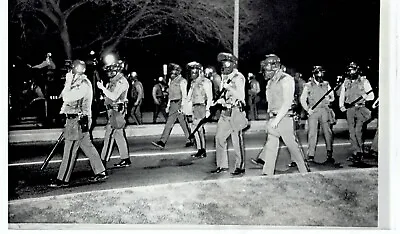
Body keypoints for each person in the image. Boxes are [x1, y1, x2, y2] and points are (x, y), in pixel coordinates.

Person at [49, 60, 108, 188]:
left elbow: (67, 97)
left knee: (69, 149)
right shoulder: (76, 82)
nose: (68, 72)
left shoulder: (83, 84)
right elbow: (61, 95)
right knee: (87, 146)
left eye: (70, 69)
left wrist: (68, 81)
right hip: (77, 120)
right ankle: (100, 171)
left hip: (77, 120)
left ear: (75, 70)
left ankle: (63, 179)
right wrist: (68, 82)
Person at [260, 54, 309, 176]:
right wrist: (270, 118)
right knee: (271, 146)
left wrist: (276, 120)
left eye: (267, 68)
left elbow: (287, 102)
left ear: (275, 66)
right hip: (274, 117)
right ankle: (267, 173)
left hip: (284, 118)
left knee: (293, 147)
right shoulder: (271, 82)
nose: (265, 71)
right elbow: (270, 102)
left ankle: (305, 171)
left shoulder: (286, 79)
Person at [210, 52, 248, 176]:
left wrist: (229, 88)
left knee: (237, 139)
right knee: (219, 138)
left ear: (232, 64)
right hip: (225, 111)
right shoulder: (224, 77)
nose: (224, 65)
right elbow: (225, 96)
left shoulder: (238, 77)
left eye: (226, 63)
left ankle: (240, 166)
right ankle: (222, 165)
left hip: (236, 111)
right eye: (222, 63)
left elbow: (241, 96)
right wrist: (218, 101)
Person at [298, 65, 336, 165]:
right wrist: (307, 109)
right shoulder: (308, 85)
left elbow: (333, 97)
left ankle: (329, 153)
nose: (320, 75)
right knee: (312, 133)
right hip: (313, 111)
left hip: (325, 110)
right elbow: (302, 99)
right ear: (314, 74)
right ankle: (311, 155)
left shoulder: (326, 84)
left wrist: (330, 99)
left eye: (321, 73)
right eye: (318, 73)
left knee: (328, 132)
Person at [97, 59, 131, 168]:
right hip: (112, 110)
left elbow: (114, 96)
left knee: (109, 135)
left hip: (117, 111)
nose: (108, 73)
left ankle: (102, 162)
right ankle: (125, 158)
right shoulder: (112, 81)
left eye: (110, 71)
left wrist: (102, 88)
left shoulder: (122, 81)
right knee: (119, 135)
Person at [339, 62, 375, 163]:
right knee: (351, 132)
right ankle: (357, 152)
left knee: (358, 131)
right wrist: (341, 105)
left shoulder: (364, 81)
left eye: (353, 70)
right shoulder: (346, 82)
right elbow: (342, 95)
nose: (351, 72)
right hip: (350, 109)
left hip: (360, 108)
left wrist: (365, 97)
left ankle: (360, 151)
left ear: (357, 70)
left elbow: (371, 95)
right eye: (350, 70)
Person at [152, 63, 193, 149]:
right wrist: (168, 105)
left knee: (178, 123)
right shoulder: (171, 81)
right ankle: (189, 139)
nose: (171, 74)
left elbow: (184, 94)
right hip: (173, 103)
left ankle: (163, 141)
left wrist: (182, 106)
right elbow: (170, 94)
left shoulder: (182, 81)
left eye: (173, 72)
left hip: (179, 102)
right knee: (177, 122)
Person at [186, 61, 213, 158]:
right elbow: (189, 96)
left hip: (202, 106)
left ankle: (202, 149)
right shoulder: (193, 82)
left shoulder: (205, 82)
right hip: (195, 107)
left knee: (197, 128)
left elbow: (210, 96)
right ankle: (200, 149)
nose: (192, 74)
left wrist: (208, 109)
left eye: (194, 71)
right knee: (198, 129)